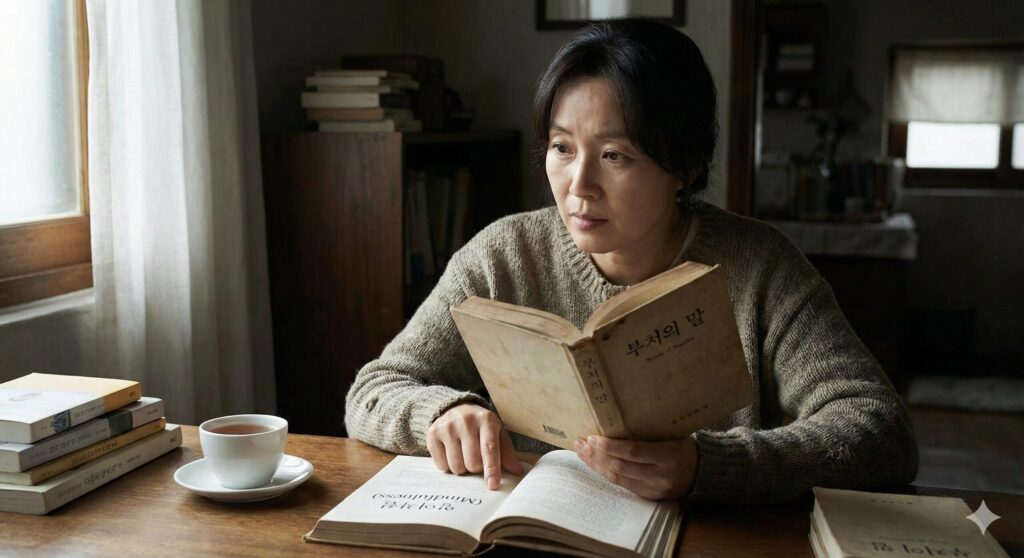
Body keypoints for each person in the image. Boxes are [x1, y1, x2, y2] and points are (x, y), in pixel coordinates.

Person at [345, 19, 918, 503]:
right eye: (562, 147)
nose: (578, 186)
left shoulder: (758, 266)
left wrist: (707, 467)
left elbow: (879, 430)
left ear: (686, 166)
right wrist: (442, 413)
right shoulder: (503, 253)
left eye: (615, 155)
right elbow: (374, 388)